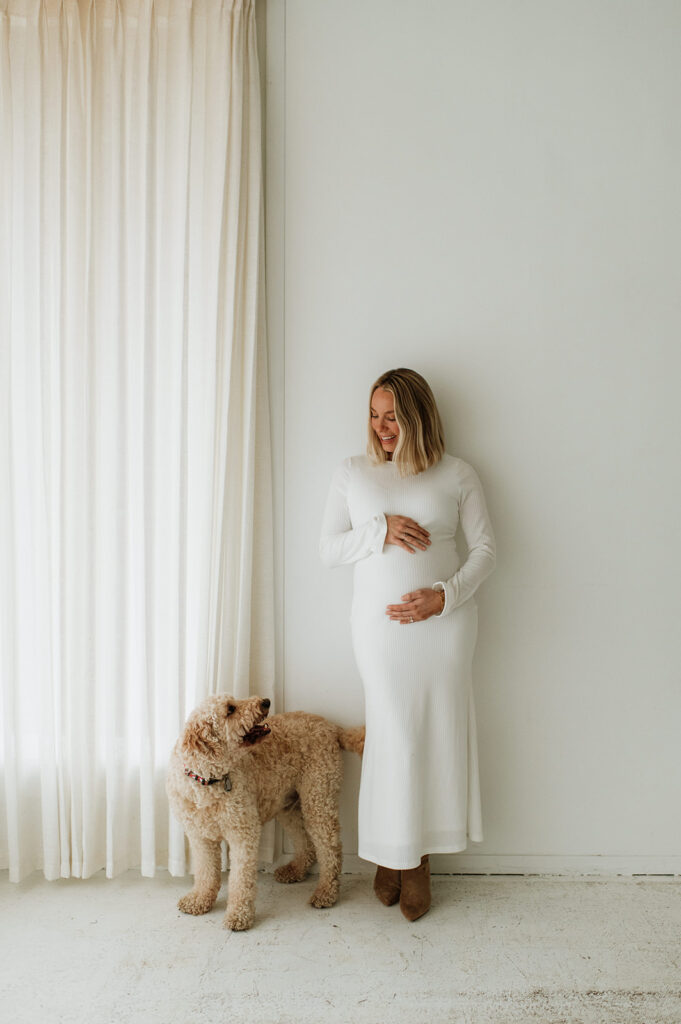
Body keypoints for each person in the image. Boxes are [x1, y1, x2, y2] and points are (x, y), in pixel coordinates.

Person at [319, 367, 496, 921]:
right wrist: (380, 529)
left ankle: (417, 861)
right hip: (379, 633)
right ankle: (390, 852)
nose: (381, 427)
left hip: (445, 629)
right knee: (392, 735)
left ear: (418, 416)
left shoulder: (457, 473)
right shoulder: (353, 472)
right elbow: (328, 549)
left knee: (435, 734)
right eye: (375, 416)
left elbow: (486, 551)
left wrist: (445, 596)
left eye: (392, 416)